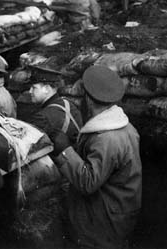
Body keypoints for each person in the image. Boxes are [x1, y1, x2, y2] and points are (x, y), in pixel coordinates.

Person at [51, 65, 142, 249]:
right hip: (119, 209)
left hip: (103, 220)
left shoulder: (106, 138)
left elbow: (88, 181)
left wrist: (65, 150)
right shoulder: (124, 127)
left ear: (88, 99)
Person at [26, 65, 82, 144]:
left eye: (34, 87)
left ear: (46, 89)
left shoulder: (42, 118)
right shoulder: (68, 103)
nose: (30, 91)